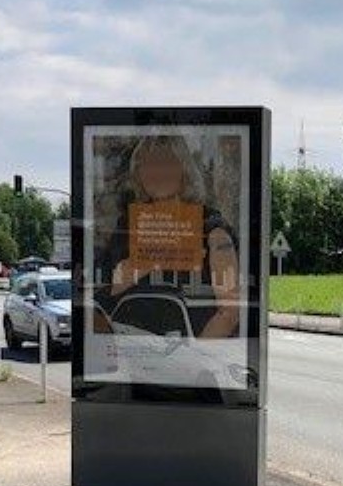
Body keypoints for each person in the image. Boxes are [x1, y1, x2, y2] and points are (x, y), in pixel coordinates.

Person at [94, 135, 240, 339]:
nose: (158, 171)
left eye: (167, 161)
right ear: (138, 173)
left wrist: (194, 355)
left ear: (184, 169)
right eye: (149, 163)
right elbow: (104, 292)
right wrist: (159, 256)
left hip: (196, 351)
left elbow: (229, 313)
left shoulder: (212, 229)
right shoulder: (127, 226)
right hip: (133, 349)